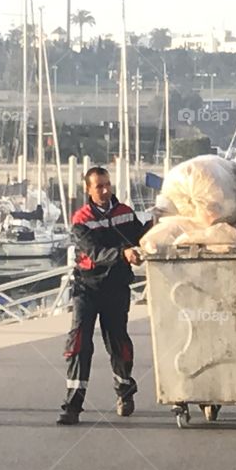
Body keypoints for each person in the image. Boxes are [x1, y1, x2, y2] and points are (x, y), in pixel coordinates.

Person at [57, 167, 151, 425]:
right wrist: (123, 254)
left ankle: (125, 391)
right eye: (99, 186)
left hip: (117, 288)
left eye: (108, 184)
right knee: (79, 344)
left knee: (118, 342)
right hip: (87, 288)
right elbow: (94, 252)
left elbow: (139, 237)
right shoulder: (81, 220)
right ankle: (72, 405)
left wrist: (158, 223)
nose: (106, 190)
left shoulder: (125, 214)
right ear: (88, 189)